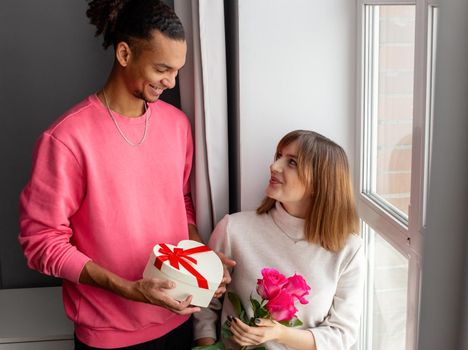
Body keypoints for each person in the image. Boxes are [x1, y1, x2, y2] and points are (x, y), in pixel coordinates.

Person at [18, 0, 233, 349]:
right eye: (162, 68)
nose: (171, 81)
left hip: (179, 320)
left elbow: (180, 203)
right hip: (108, 337)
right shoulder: (66, 139)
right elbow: (41, 243)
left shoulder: (177, 125)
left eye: (177, 70)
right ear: (124, 54)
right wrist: (130, 289)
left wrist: (200, 260)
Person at [193, 130, 365, 349]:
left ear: (321, 181)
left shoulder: (349, 249)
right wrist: (206, 347)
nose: (274, 167)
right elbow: (205, 302)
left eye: (292, 162)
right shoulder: (233, 229)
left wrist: (280, 334)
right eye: (278, 157)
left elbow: (342, 334)